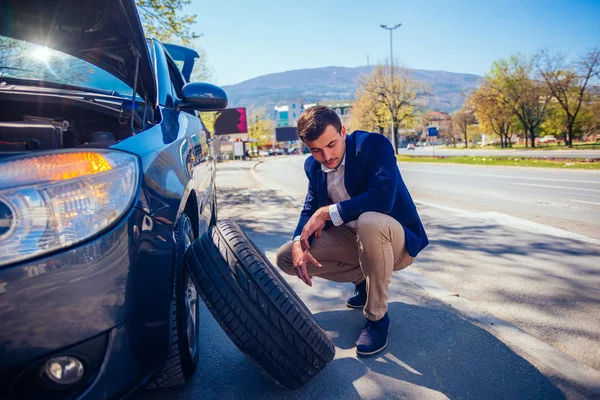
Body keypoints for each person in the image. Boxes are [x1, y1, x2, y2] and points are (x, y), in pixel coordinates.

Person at [275, 106, 428, 357]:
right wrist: (297, 242)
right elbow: (309, 208)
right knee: (287, 258)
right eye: (316, 150)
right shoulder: (313, 167)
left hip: (394, 241)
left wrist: (328, 213)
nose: (326, 156)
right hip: (355, 241)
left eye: (331, 144)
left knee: (369, 221)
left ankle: (377, 318)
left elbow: (382, 199)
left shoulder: (373, 145)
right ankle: (363, 281)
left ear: (343, 131)